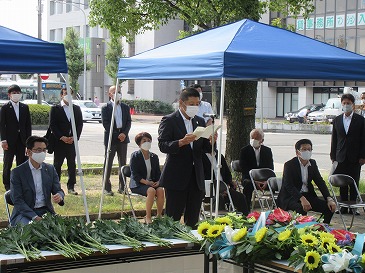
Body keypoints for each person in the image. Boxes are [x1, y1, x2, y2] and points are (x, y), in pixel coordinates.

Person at [158, 87, 212, 228]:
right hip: (177, 176)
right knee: (173, 218)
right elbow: (163, 145)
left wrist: (211, 140)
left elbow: (205, 148)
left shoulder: (200, 121)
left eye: (197, 104)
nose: (195, 107)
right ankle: (172, 244)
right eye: (191, 104)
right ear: (181, 103)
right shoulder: (169, 120)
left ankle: (192, 245)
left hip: (196, 175)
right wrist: (181, 142)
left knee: (193, 217)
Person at [277, 139, 336, 224]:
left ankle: (322, 229)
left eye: (309, 149)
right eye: (304, 149)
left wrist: (329, 198)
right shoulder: (289, 165)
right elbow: (288, 185)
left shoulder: (313, 163)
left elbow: (320, 182)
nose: (307, 151)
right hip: (291, 197)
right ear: (297, 152)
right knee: (301, 208)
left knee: (329, 207)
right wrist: (301, 198)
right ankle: (302, 231)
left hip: (307, 195)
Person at [10, 136, 65, 226]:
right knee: (33, 229)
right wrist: (34, 217)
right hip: (25, 214)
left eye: (44, 150)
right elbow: (17, 200)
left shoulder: (50, 169)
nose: (42, 153)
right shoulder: (17, 172)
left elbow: (58, 190)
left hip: (46, 212)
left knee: (62, 229)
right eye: (38, 150)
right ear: (28, 152)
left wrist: (60, 196)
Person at [330, 93, 365, 215]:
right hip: (340, 156)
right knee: (342, 183)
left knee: (354, 182)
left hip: (355, 158)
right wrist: (333, 156)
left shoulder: (360, 120)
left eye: (348, 103)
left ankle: (353, 207)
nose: (346, 105)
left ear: (353, 105)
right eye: (344, 103)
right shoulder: (337, 120)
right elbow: (334, 139)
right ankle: (343, 206)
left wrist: (363, 156)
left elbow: (363, 139)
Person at [49, 87, 83, 195]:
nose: (68, 95)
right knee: (57, 164)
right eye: (65, 93)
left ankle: (71, 186)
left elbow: (79, 125)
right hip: (59, 142)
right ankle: (55, 186)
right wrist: (61, 137)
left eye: (70, 93)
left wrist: (74, 137)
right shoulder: (55, 108)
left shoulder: (76, 109)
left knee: (72, 164)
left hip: (71, 142)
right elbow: (52, 125)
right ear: (61, 95)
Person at [0, 84, 32, 191]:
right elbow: (2, 125)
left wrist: (29, 143)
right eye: (14, 93)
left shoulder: (24, 107)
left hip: (22, 140)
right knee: (7, 163)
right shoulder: (5, 108)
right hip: (9, 140)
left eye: (18, 93)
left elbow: (28, 126)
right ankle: (7, 184)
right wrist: (3, 140)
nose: (16, 95)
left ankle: (20, 183)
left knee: (21, 163)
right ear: (9, 95)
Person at [101, 85, 131, 196]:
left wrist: (124, 133)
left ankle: (122, 187)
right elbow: (106, 124)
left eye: (119, 91)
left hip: (123, 138)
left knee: (122, 163)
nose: (118, 94)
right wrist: (117, 135)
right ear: (110, 94)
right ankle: (106, 188)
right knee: (108, 163)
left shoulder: (125, 107)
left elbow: (128, 122)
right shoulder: (106, 108)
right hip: (111, 139)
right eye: (115, 92)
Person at [130, 132, 164, 224]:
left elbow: (158, 173)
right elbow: (135, 175)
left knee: (160, 190)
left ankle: (159, 215)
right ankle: (148, 216)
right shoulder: (135, 156)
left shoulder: (154, 156)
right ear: (139, 143)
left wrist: (158, 182)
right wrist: (147, 183)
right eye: (144, 141)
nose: (147, 142)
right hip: (139, 184)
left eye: (149, 140)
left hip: (151, 183)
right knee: (151, 191)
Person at [239, 128, 274, 210]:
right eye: (252, 138)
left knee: (277, 185)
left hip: (265, 180)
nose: (254, 140)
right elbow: (243, 168)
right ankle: (246, 210)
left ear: (262, 140)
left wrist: (267, 181)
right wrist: (254, 181)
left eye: (256, 138)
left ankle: (276, 209)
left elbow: (270, 168)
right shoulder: (244, 151)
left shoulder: (267, 151)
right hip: (249, 179)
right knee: (248, 186)